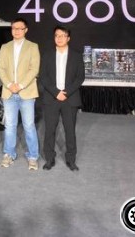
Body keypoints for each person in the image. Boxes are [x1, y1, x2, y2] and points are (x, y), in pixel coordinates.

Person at [0, 17, 40, 171]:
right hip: (9, 92)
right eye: (14, 28)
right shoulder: (5, 47)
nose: (17, 31)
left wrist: (20, 85)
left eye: (20, 28)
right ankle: (9, 154)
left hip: (26, 92)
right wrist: (9, 85)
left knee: (29, 125)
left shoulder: (33, 47)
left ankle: (33, 156)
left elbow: (34, 69)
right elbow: (0, 68)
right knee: (9, 126)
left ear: (25, 30)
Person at [39, 26, 85, 171]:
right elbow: (43, 76)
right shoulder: (47, 55)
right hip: (51, 98)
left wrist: (66, 92)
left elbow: (80, 77)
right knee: (49, 130)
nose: (59, 38)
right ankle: (49, 159)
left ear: (68, 38)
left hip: (69, 98)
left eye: (62, 35)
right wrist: (55, 92)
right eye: (56, 35)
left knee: (70, 131)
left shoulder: (76, 56)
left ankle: (71, 160)